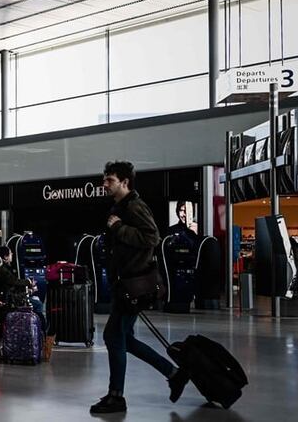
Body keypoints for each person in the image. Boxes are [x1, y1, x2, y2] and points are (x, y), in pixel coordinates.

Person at [91, 161, 188, 415]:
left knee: (113, 336)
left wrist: (118, 228)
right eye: (105, 179)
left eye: (110, 180)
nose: (105, 184)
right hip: (125, 284)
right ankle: (173, 373)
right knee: (126, 339)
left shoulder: (134, 205)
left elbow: (151, 237)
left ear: (125, 182)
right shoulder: (120, 206)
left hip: (134, 285)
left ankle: (117, 396)